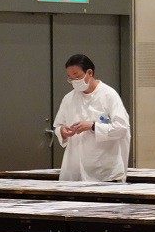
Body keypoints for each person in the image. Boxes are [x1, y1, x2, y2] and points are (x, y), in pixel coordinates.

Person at [53, 54, 130, 182]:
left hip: (104, 171)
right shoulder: (69, 98)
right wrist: (62, 131)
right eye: (70, 78)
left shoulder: (108, 95)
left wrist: (93, 126)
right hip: (75, 169)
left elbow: (121, 128)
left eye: (77, 76)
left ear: (89, 72)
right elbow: (58, 125)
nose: (74, 81)